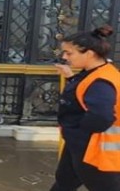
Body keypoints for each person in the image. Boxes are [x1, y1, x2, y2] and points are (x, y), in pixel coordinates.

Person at [51, 26, 120, 191]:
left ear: (89, 53)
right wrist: (70, 77)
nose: (64, 57)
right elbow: (83, 91)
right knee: (64, 182)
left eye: (69, 53)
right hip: (81, 144)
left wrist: (77, 132)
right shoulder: (95, 72)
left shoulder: (101, 81)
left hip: (94, 149)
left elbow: (101, 117)